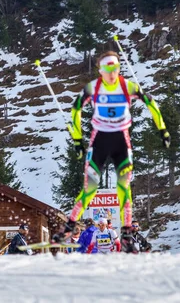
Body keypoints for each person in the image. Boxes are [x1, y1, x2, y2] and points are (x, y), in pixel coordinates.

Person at [53, 51, 170, 245]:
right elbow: (76, 109)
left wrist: (162, 129)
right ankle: (70, 226)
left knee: (123, 186)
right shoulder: (94, 87)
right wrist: (77, 140)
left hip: (121, 142)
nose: (112, 72)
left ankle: (125, 232)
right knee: (90, 188)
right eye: (108, 68)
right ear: (100, 70)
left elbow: (151, 103)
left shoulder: (127, 85)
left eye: (115, 67)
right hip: (99, 141)